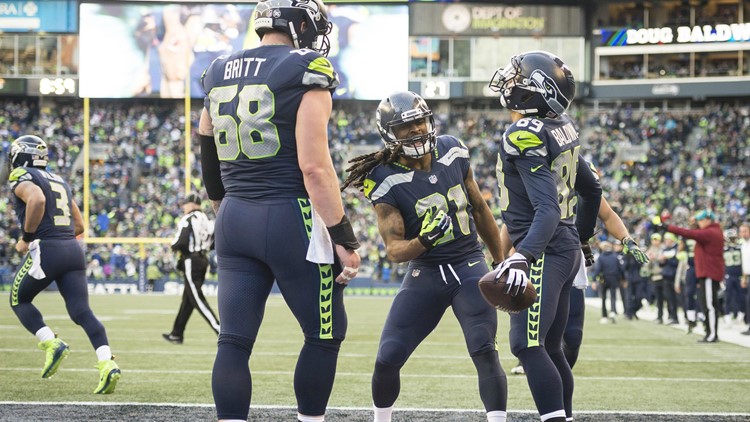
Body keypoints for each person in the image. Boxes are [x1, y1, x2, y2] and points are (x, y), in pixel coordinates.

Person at [198, 0, 361, 420]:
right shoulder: (306, 67)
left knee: (233, 340)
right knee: (325, 332)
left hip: (234, 214)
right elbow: (314, 167)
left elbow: (205, 139)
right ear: (301, 25)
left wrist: (222, 203)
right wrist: (343, 236)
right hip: (287, 213)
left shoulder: (218, 69)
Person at [342, 91, 508, 422]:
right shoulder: (384, 176)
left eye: (420, 121)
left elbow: (479, 209)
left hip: (468, 265)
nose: (417, 130)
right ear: (390, 133)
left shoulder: (453, 149)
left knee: (484, 348)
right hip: (427, 273)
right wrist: (425, 240)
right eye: (406, 126)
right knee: (388, 356)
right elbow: (394, 251)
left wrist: (500, 261)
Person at [488, 51, 602, 422]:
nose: (510, 80)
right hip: (564, 248)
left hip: (545, 250)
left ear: (538, 89)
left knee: (526, 344)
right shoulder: (560, 125)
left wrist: (525, 255)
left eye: (518, 76)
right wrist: (581, 238)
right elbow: (592, 189)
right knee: (550, 346)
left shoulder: (524, 133)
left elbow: (548, 209)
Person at [6, 135, 121, 394]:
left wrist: (26, 238)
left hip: (48, 248)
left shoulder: (22, 175)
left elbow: (37, 200)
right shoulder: (58, 179)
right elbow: (79, 225)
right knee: (82, 312)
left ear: (19, 156)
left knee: (18, 300)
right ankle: (106, 363)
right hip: (72, 249)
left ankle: (50, 342)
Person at [654, 210, 724, 342]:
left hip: (709, 272)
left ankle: (712, 334)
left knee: (709, 305)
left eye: (700, 220)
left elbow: (689, 233)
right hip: (706, 272)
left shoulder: (710, 232)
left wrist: (667, 227)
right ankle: (710, 332)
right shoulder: (712, 231)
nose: (699, 223)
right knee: (706, 304)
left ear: (708, 219)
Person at [162, 192, 219, 344]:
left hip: (191, 260)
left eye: (186, 204)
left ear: (192, 205)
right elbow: (214, 240)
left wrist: (175, 248)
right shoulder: (207, 219)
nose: (184, 207)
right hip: (203, 259)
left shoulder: (188, 219)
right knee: (188, 299)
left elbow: (180, 241)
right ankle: (177, 333)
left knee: (196, 298)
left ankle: (219, 329)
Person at [740, 223, 750, 335]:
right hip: (747, 275)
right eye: (742, 231)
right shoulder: (743, 245)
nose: (743, 234)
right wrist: (743, 278)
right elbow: (745, 264)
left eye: (745, 231)